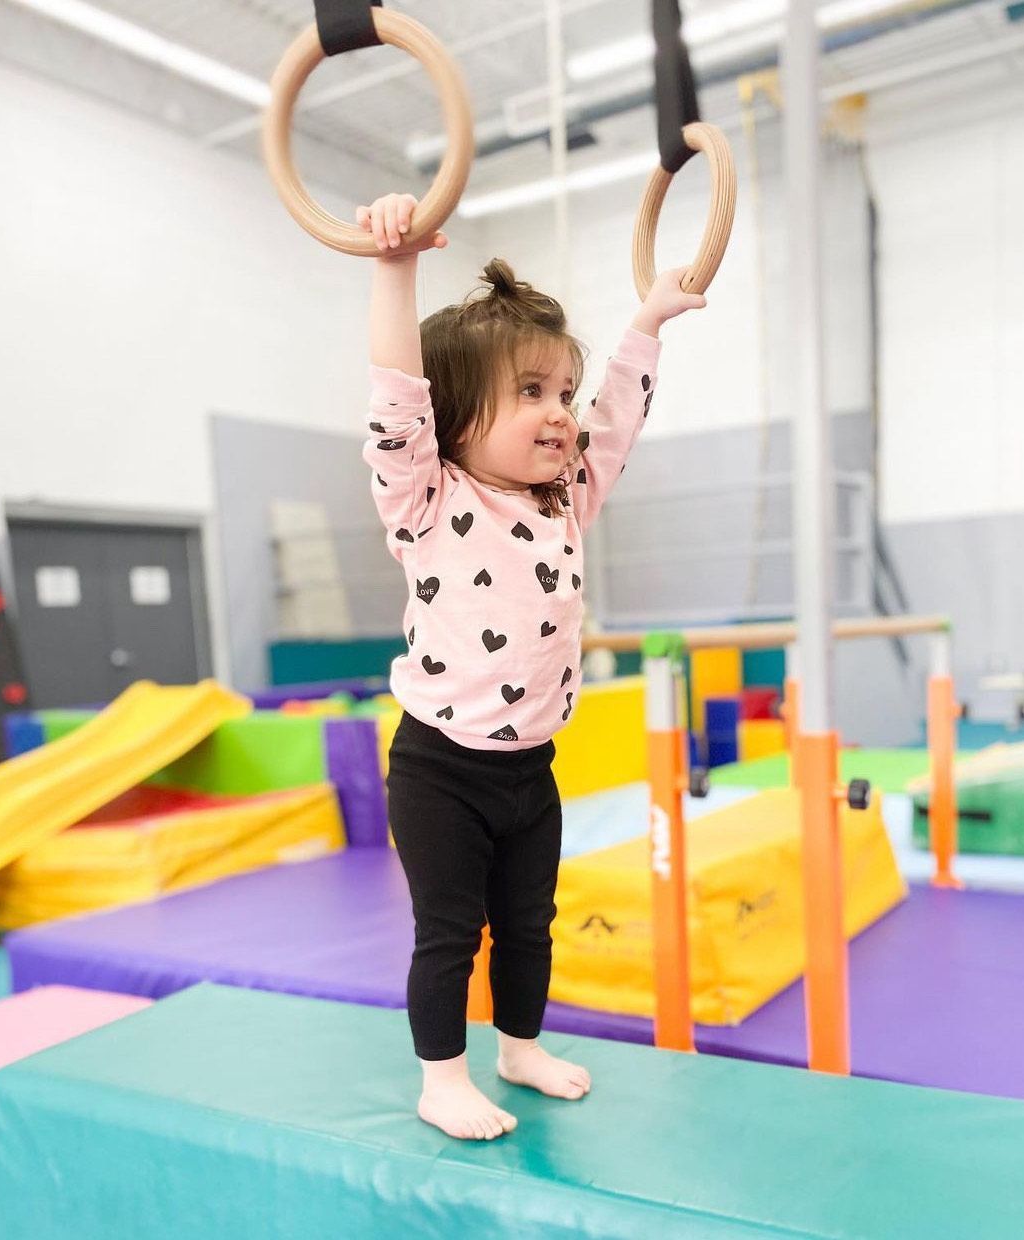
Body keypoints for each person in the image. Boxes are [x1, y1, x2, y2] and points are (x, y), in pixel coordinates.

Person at [360, 192, 706, 1141]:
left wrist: (646, 321)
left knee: (528, 925)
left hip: (530, 770)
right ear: (456, 418)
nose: (560, 415)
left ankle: (517, 1048)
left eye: (563, 392)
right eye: (531, 394)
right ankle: (442, 1078)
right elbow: (395, 398)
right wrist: (393, 268)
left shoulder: (564, 499)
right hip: (441, 769)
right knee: (447, 932)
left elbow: (618, 419)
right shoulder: (425, 498)